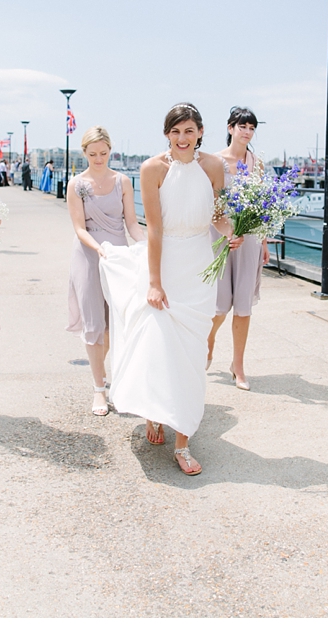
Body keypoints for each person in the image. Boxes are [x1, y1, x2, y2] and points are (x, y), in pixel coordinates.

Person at [98, 103, 241, 476]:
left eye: (189, 131)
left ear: (200, 132)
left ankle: (183, 442)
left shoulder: (214, 166)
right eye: (175, 131)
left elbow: (218, 216)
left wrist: (232, 232)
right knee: (160, 347)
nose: (182, 138)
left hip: (199, 266)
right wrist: (155, 282)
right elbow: (155, 229)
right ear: (167, 134)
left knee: (192, 354)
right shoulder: (151, 169)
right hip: (165, 263)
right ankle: (154, 411)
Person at [66, 126, 145, 416]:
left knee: (116, 324)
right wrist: (99, 249)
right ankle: (99, 388)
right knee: (93, 324)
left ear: (110, 150)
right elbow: (79, 228)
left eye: (103, 153)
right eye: (92, 154)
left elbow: (132, 223)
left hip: (119, 259)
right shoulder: (76, 184)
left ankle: (103, 372)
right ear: (84, 153)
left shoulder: (122, 181)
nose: (98, 159)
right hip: (89, 256)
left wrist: (146, 246)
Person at [206, 106, 268, 390]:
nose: (247, 132)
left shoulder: (257, 164)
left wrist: (263, 241)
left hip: (250, 238)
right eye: (242, 126)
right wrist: (228, 231)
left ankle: (238, 366)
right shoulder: (214, 161)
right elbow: (210, 205)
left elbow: (262, 206)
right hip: (220, 236)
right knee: (219, 304)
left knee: (243, 305)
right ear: (230, 128)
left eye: (252, 128)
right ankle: (209, 339)